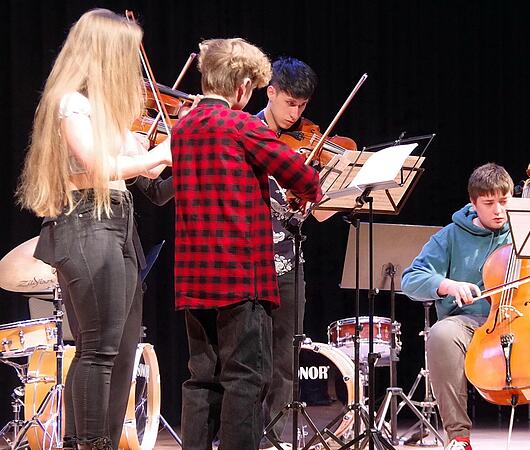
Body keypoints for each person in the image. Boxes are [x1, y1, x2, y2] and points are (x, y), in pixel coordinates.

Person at [16, 9, 172, 450]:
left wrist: (183, 153)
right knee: (98, 348)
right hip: (86, 224)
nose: (133, 67)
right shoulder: (71, 103)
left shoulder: (109, 114)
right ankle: (90, 443)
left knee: (122, 349)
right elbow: (97, 168)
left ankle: (85, 439)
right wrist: (158, 153)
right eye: (125, 54)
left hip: (119, 227)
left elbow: (152, 189)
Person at [171, 38, 321, 450]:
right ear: (241, 88)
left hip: (193, 277)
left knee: (201, 377)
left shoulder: (181, 127)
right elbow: (303, 179)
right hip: (240, 275)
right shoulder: (242, 126)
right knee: (245, 378)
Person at [401, 163, 530, 450]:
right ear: (473, 203)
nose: (499, 210)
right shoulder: (451, 235)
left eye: (504, 202)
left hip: (528, 318)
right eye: (489, 203)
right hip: (472, 322)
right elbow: (411, 279)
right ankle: (458, 437)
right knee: (441, 334)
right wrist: (448, 285)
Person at [254, 56, 318, 447]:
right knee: (251, 361)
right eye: (289, 103)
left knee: (285, 360)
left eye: (302, 106)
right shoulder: (247, 132)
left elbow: (316, 211)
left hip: (290, 260)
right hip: (252, 262)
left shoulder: (307, 143)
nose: (295, 114)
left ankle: (274, 439)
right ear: (270, 92)